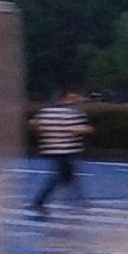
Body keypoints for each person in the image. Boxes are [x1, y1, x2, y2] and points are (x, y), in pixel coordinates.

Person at [29, 89, 89, 217]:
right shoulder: (71, 113)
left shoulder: (46, 111)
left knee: (68, 173)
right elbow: (80, 128)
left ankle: (78, 198)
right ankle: (39, 200)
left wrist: (45, 132)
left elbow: (34, 123)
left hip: (50, 148)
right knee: (60, 176)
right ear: (65, 99)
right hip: (66, 148)